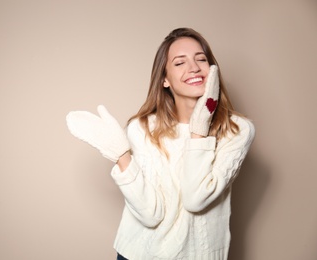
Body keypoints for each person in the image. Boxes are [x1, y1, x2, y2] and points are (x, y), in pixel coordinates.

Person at [66, 27, 255, 260]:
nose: (194, 68)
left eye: (201, 59)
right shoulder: (142, 128)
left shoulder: (237, 130)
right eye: (179, 63)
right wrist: (122, 156)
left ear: (212, 69)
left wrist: (199, 128)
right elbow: (150, 214)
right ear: (165, 79)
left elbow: (196, 199)